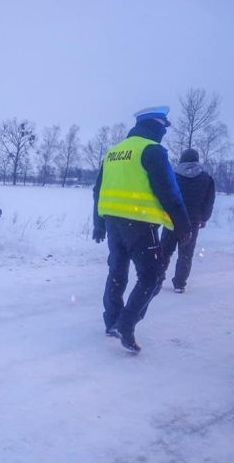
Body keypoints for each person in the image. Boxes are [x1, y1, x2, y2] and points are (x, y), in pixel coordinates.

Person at [93, 106, 191, 353]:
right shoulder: (152, 150)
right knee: (153, 276)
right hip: (139, 223)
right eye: (163, 127)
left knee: (117, 271)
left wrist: (98, 222)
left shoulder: (114, 152)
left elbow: (98, 189)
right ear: (155, 126)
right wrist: (183, 225)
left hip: (114, 222)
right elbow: (168, 191)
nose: (164, 133)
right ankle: (125, 325)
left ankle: (112, 321)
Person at [159, 148, 215, 293]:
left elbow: (164, 196)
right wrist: (204, 218)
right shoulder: (206, 178)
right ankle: (180, 283)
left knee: (164, 252)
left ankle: (157, 279)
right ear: (196, 161)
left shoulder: (171, 175)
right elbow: (209, 202)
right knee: (186, 254)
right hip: (192, 222)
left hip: (171, 220)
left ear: (182, 159)